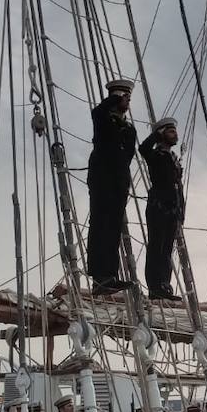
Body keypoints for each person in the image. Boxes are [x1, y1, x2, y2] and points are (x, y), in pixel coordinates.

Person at [86, 79, 137, 294]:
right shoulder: (103, 118)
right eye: (124, 97)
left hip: (119, 180)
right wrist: (114, 100)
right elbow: (97, 112)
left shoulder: (129, 128)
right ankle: (99, 276)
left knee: (114, 228)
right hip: (102, 177)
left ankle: (110, 273)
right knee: (101, 224)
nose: (127, 101)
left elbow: (129, 153)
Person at [140, 117, 184, 301]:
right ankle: (155, 286)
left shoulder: (173, 158)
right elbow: (143, 149)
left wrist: (181, 211)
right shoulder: (156, 155)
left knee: (167, 249)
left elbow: (177, 187)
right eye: (171, 131)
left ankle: (165, 284)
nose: (175, 135)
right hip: (159, 206)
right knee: (156, 247)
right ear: (162, 133)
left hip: (172, 209)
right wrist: (154, 135)